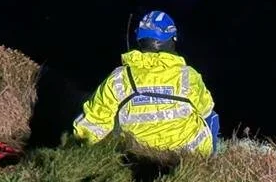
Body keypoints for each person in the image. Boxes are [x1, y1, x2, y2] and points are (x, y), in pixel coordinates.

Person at [73, 11, 219, 156]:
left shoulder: (119, 78)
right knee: (211, 116)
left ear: (140, 40)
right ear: (172, 39)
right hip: (187, 155)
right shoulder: (188, 75)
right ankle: (210, 161)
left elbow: (93, 124)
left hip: (137, 157)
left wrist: (81, 149)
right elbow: (206, 111)